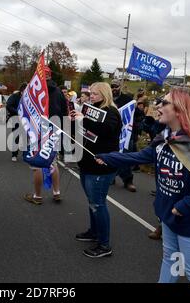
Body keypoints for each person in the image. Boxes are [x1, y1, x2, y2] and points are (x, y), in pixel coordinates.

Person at [95, 87, 190, 282]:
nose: (158, 106)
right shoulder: (164, 139)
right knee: (170, 259)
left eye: (164, 103)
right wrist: (109, 158)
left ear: (180, 110)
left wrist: (183, 206)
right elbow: (141, 156)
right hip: (168, 215)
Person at [71, 82, 122, 258]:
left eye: (95, 94)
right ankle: (94, 232)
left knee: (98, 203)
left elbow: (106, 130)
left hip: (101, 166)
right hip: (87, 162)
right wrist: (75, 121)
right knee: (92, 202)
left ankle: (104, 244)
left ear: (104, 94)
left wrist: (83, 120)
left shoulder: (111, 112)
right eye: (90, 93)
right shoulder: (90, 109)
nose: (91, 96)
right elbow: (84, 131)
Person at [23, 66, 68, 205]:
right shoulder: (60, 92)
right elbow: (65, 112)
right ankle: (56, 192)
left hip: (39, 130)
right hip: (55, 129)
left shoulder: (35, 91)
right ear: (50, 76)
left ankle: (37, 196)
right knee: (52, 162)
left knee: (38, 164)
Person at [110, 79, 137, 192]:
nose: (114, 89)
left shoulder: (128, 100)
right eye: (112, 86)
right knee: (110, 155)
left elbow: (135, 117)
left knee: (124, 157)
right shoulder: (107, 99)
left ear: (120, 87)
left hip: (125, 133)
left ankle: (128, 180)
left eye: (116, 86)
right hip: (111, 133)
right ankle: (111, 177)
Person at [7, 83, 27, 162]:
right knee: (16, 137)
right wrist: (18, 112)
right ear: (21, 90)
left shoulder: (29, 98)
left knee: (26, 137)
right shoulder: (14, 96)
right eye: (25, 91)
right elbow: (9, 106)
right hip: (16, 119)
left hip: (26, 120)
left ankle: (25, 155)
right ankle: (14, 155)